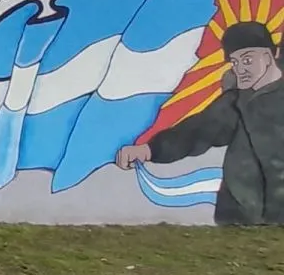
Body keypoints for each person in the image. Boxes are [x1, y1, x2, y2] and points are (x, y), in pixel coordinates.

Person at [116, 20, 284, 226]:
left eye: (247, 60)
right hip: (241, 217)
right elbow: (196, 131)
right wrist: (149, 150)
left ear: (270, 55)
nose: (240, 69)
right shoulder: (235, 103)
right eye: (235, 62)